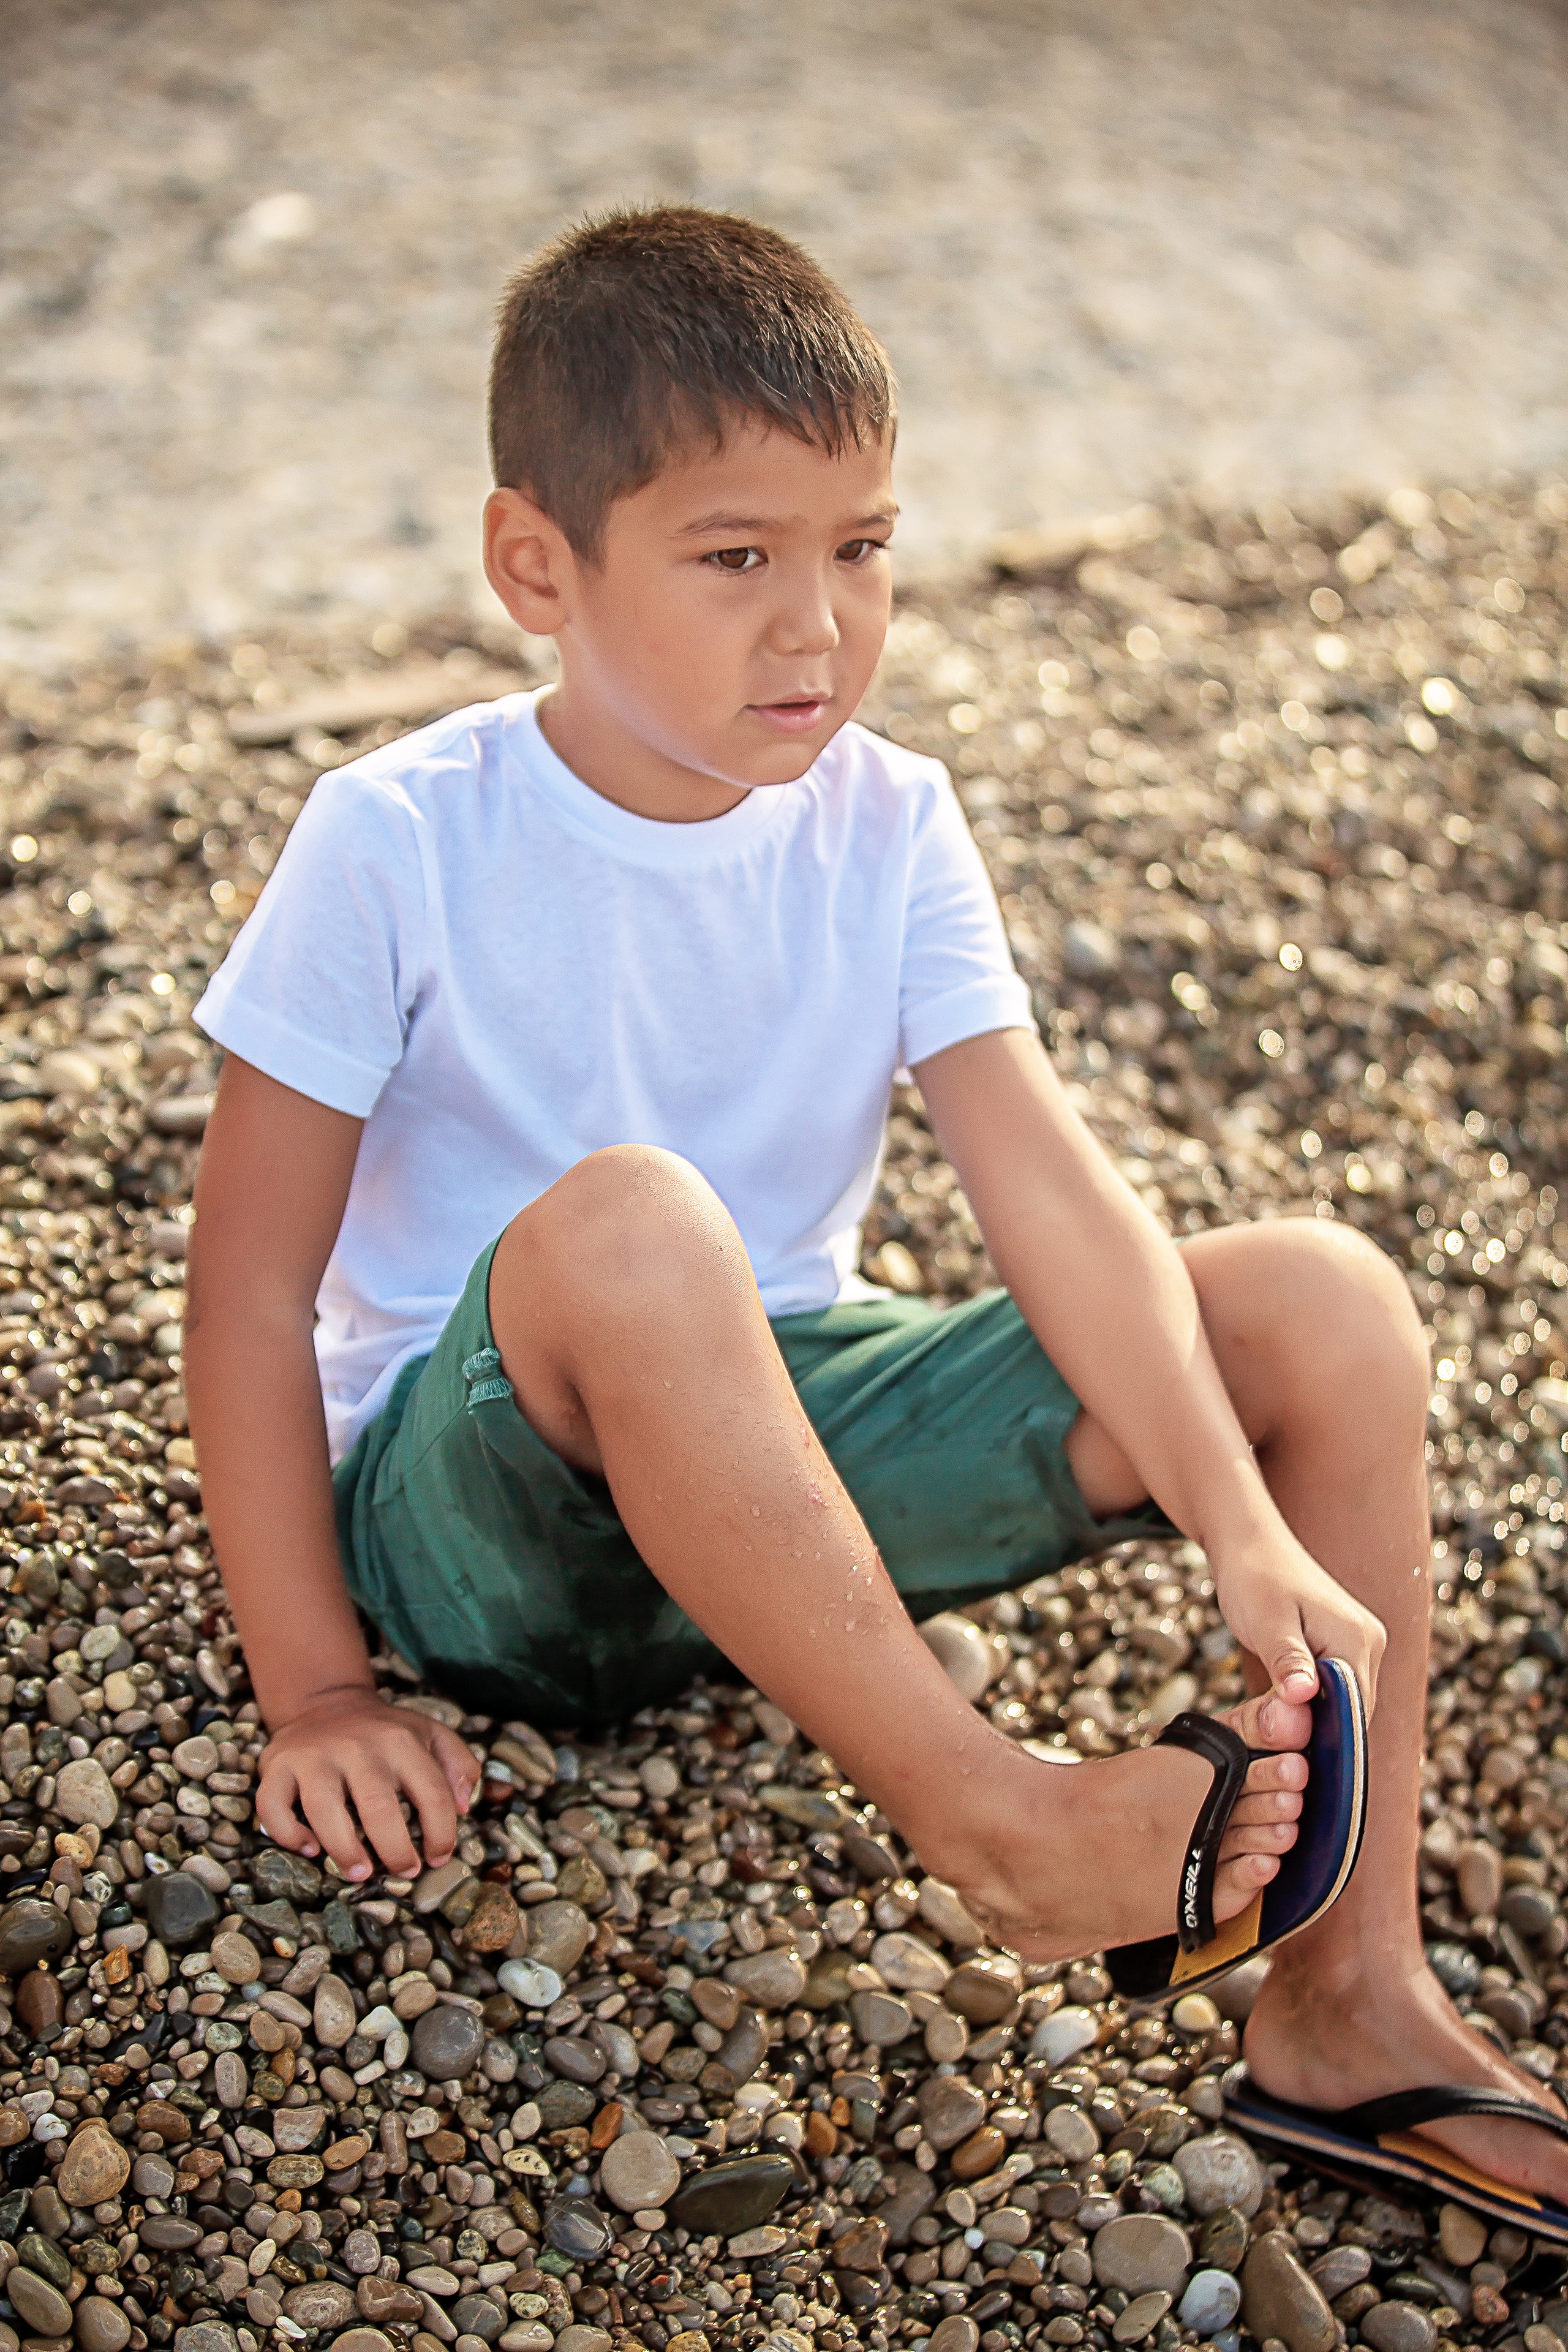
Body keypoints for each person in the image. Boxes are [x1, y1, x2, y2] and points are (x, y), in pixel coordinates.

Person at [186, 204, 1567, 2206]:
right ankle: (995, 1820)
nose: (816, 627)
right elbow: (248, 1294)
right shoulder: (395, 838)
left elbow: (1048, 1189)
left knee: (1324, 1302)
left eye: (863, 549)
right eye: (736, 558)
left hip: (784, 1518)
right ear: (536, 567)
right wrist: (316, 1689)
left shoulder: (891, 819)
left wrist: (1238, 1517)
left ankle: (1349, 2000)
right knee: (639, 1222)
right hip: (479, 1529)